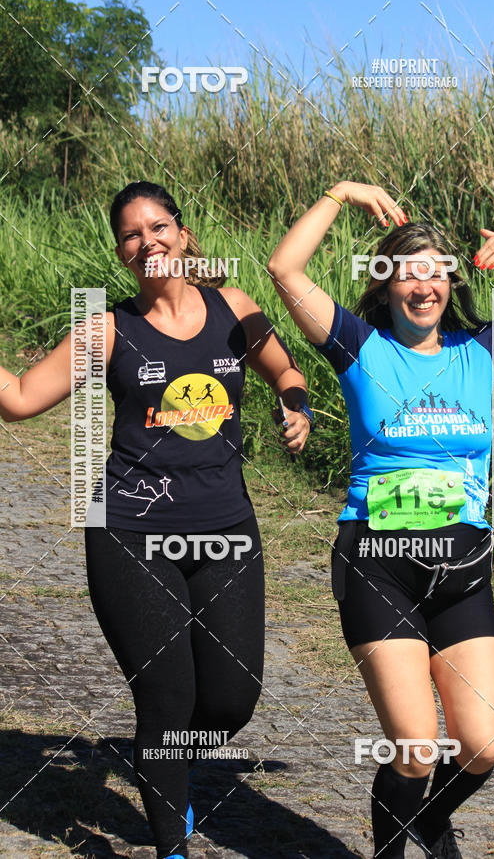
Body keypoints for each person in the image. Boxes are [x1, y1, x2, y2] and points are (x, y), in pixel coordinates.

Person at [267, 180, 494, 858]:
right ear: (385, 285)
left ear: (452, 283)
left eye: (436, 273)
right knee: (417, 748)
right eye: (407, 274)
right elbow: (285, 269)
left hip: (461, 572)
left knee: (481, 745)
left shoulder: (485, 350)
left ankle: (428, 819)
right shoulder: (358, 345)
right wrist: (339, 194)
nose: (424, 287)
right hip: (377, 566)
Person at [0, 181, 313, 859]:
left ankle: (162, 763)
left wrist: (297, 405)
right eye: (131, 235)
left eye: (158, 227)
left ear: (183, 232)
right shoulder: (109, 329)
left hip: (225, 528)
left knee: (231, 700)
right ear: (121, 252)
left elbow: (283, 369)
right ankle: (171, 837)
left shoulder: (234, 308)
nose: (148, 242)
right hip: (130, 532)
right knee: (167, 697)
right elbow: (20, 399)